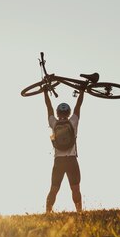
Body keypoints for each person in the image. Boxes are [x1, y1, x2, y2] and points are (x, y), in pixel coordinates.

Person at [43, 83, 87, 213]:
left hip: (58, 161)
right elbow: (78, 106)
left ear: (57, 113)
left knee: (54, 188)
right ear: (68, 113)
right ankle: (79, 212)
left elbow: (48, 107)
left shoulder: (54, 122)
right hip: (71, 160)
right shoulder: (73, 122)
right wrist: (82, 91)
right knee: (75, 188)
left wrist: (45, 93)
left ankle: (47, 213)